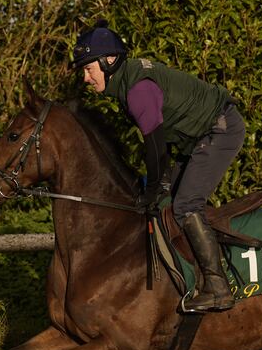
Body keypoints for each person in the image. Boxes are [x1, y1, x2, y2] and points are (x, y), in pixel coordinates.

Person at [71, 20, 246, 313]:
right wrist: (156, 185)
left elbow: (154, 145)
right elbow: (158, 145)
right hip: (198, 136)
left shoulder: (137, 90)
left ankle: (218, 288)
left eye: (88, 69)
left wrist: (155, 185)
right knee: (160, 197)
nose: (86, 78)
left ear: (109, 61)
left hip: (220, 130)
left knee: (186, 204)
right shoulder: (126, 81)